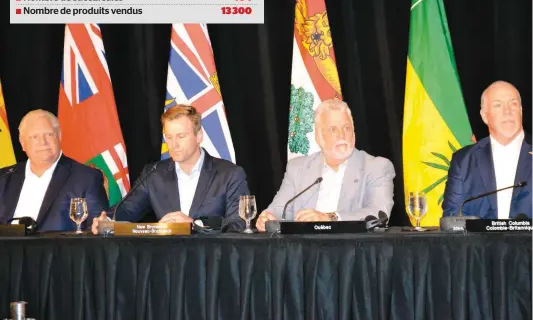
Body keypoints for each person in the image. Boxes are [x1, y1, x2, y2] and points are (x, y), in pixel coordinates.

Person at [91, 104, 250, 234]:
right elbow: (126, 211)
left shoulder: (229, 174)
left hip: (212, 264)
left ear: (199, 136)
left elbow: (239, 224)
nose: (174, 145)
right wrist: (107, 221)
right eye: (169, 137)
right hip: (167, 264)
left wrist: (194, 225)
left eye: (181, 136)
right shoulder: (154, 173)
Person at [256, 99, 395, 232]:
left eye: (346, 128)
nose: (342, 135)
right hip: (303, 249)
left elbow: (379, 213)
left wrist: (329, 218)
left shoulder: (377, 167)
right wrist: (267, 217)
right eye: (333, 129)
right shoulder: (297, 168)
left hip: (352, 249)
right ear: (319, 136)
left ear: (353, 132)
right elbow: (279, 209)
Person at [0, 109, 109, 231]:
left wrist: (101, 226)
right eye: (34, 137)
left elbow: (98, 228)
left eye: (49, 134)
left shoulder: (86, 178)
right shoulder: (4, 178)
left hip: (59, 249)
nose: (43, 142)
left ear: (60, 136)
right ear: (22, 143)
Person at [442, 81, 531, 219]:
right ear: (484, 116)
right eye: (498, 105)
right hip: (480, 241)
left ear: (521, 111)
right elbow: (452, 218)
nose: (507, 112)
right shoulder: (464, 161)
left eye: (513, 104)